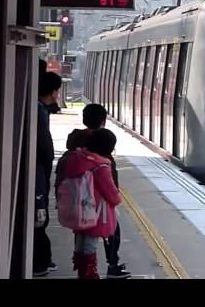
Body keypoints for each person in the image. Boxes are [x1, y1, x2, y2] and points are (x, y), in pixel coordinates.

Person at [56, 104, 131, 279]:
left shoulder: (76, 155)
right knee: (93, 242)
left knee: (81, 240)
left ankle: (83, 269)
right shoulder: (100, 164)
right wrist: (117, 198)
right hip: (95, 210)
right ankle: (92, 272)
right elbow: (110, 191)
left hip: (76, 206)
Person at [33, 71, 62, 277]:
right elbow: (45, 150)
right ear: (53, 91)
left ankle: (41, 260)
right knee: (39, 219)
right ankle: (39, 263)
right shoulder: (39, 112)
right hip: (37, 176)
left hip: (37, 175)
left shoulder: (38, 109)